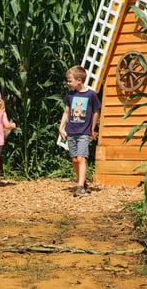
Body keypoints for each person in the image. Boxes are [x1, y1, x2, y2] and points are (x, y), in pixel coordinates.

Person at [59, 65, 101, 197]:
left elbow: (96, 112)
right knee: (74, 160)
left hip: (84, 132)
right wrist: (61, 127)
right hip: (71, 131)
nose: (68, 83)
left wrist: (92, 128)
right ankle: (82, 181)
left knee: (81, 158)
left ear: (79, 80)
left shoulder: (91, 95)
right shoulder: (70, 95)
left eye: (70, 80)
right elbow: (66, 112)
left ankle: (80, 186)